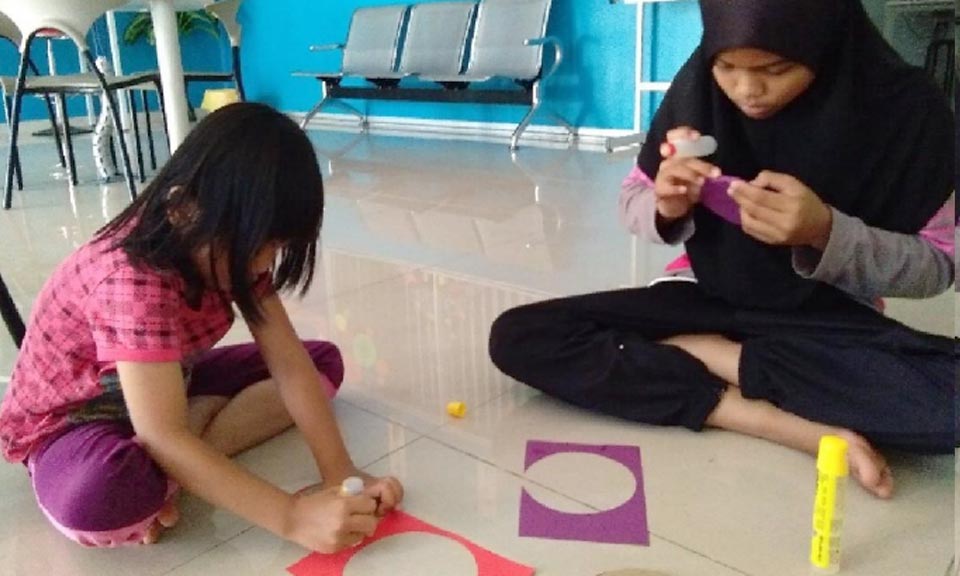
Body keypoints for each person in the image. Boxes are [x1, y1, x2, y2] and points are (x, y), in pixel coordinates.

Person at [489, 0, 955, 499]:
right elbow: (633, 199)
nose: (747, 90)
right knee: (521, 335)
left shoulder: (906, 112)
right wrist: (666, 204)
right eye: (727, 66)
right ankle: (763, 413)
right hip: (702, 295)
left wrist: (824, 232)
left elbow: (938, 265)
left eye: (776, 69)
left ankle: (704, 354)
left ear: (827, 45)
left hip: (826, 313)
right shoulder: (699, 91)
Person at [0, 103, 403, 549]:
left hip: (165, 382)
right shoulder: (130, 280)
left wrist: (340, 473)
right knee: (102, 495)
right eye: (261, 246)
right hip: (75, 419)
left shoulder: (233, 251)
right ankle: (178, 451)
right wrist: (292, 517)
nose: (265, 263)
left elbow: (290, 366)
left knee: (321, 364)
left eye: (276, 247)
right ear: (183, 210)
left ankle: (180, 454)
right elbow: (161, 434)